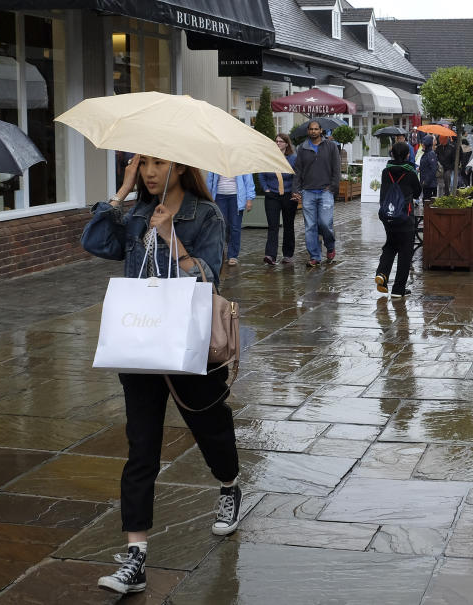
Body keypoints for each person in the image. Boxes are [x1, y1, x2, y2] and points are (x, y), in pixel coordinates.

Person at [82, 155, 241, 594]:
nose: (150, 173)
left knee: (209, 427)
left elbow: (208, 279)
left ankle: (229, 484)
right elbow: (93, 242)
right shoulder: (134, 213)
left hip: (190, 342)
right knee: (141, 448)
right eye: (143, 164)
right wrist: (121, 190)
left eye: (157, 164)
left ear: (183, 167)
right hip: (141, 343)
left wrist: (172, 237)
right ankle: (136, 558)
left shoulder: (204, 215)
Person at [374, 142, 422, 298]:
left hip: (387, 215)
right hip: (405, 217)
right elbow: (417, 193)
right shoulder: (410, 173)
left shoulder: (385, 171)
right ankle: (398, 289)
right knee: (405, 252)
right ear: (408, 155)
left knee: (390, 245)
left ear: (392, 154)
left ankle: (382, 273)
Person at [291, 120, 340, 267]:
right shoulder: (302, 148)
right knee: (310, 226)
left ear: (321, 131)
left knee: (325, 223)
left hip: (326, 191)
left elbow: (336, 169)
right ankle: (315, 256)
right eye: (311, 129)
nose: (313, 131)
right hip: (308, 192)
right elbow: (298, 170)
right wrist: (296, 189)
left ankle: (330, 246)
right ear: (308, 131)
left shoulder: (331, 146)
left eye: (316, 129)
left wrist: (332, 188)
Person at [258, 133, 296, 265]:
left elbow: (297, 176)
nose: (278, 143)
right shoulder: (268, 158)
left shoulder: (292, 158)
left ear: (286, 144)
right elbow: (261, 174)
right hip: (272, 195)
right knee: (273, 226)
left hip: (288, 195)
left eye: (281, 141)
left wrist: (295, 191)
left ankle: (288, 255)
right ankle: (270, 255)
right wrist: (266, 189)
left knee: (288, 225)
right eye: (276, 141)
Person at [206, 171, 255, 267]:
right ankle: (221, 252)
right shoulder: (217, 160)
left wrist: (249, 199)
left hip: (236, 197)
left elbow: (248, 181)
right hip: (219, 196)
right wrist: (208, 196)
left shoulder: (241, 161)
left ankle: (233, 255)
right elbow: (210, 180)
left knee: (235, 226)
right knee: (222, 226)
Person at [418, 135, 439, 201]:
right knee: (425, 202)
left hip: (430, 185)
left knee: (429, 204)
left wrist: (426, 182)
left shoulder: (431, 154)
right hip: (426, 184)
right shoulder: (426, 153)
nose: (422, 145)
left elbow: (433, 169)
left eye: (423, 144)